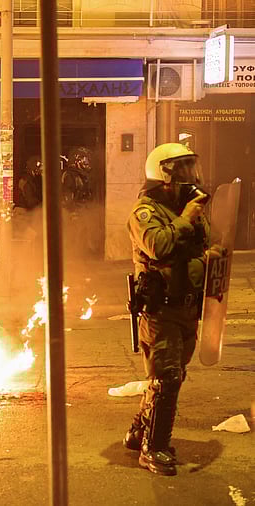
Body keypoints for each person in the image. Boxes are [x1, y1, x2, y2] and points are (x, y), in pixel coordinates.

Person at [123, 143, 220, 476]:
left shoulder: (186, 208)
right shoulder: (145, 211)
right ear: (163, 175)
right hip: (161, 309)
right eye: (183, 171)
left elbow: (201, 246)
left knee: (169, 376)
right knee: (166, 378)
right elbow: (159, 246)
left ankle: (139, 432)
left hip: (187, 307)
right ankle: (154, 448)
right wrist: (186, 218)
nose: (190, 178)